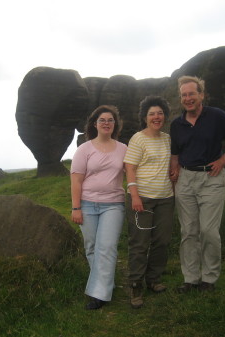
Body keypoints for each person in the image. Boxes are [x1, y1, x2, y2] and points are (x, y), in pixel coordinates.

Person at [170, 75, 225, 293]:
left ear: (201, 95)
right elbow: (175, 154)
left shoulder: (216, 116)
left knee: (208, 230)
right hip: (185, 180)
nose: (188, 98)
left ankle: (209, 278)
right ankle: (190, 279)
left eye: (192, 94)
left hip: (211, 178)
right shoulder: (177, 124)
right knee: (188, 231)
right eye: (184, 95)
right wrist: (175, 173)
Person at [70, 105, 127, 310]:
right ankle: (105, 284)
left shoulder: (123, 149)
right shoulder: (84, 149)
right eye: (102, 120)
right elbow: (76, 181)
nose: (106, 123)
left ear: (115, 124)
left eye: (110, 120)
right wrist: (76, 208)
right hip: (87, 205)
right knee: (92, 247)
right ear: (95, 124)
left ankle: (99, 295)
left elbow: (134, 173)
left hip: (113, 205)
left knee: (108, 247)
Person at [124, 95, 175, 309]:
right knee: (139, 243)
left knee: (161, 241)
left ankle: (153, 280)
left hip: (165, 198)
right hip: (142, 198)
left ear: (164, 116)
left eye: (160, 113)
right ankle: (135, 286)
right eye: (152, 114)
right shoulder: (138, 138)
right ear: (145, 117)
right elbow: (130, 168)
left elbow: (173, 159)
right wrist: (134, 196)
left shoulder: (167, 138)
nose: (156, 117)